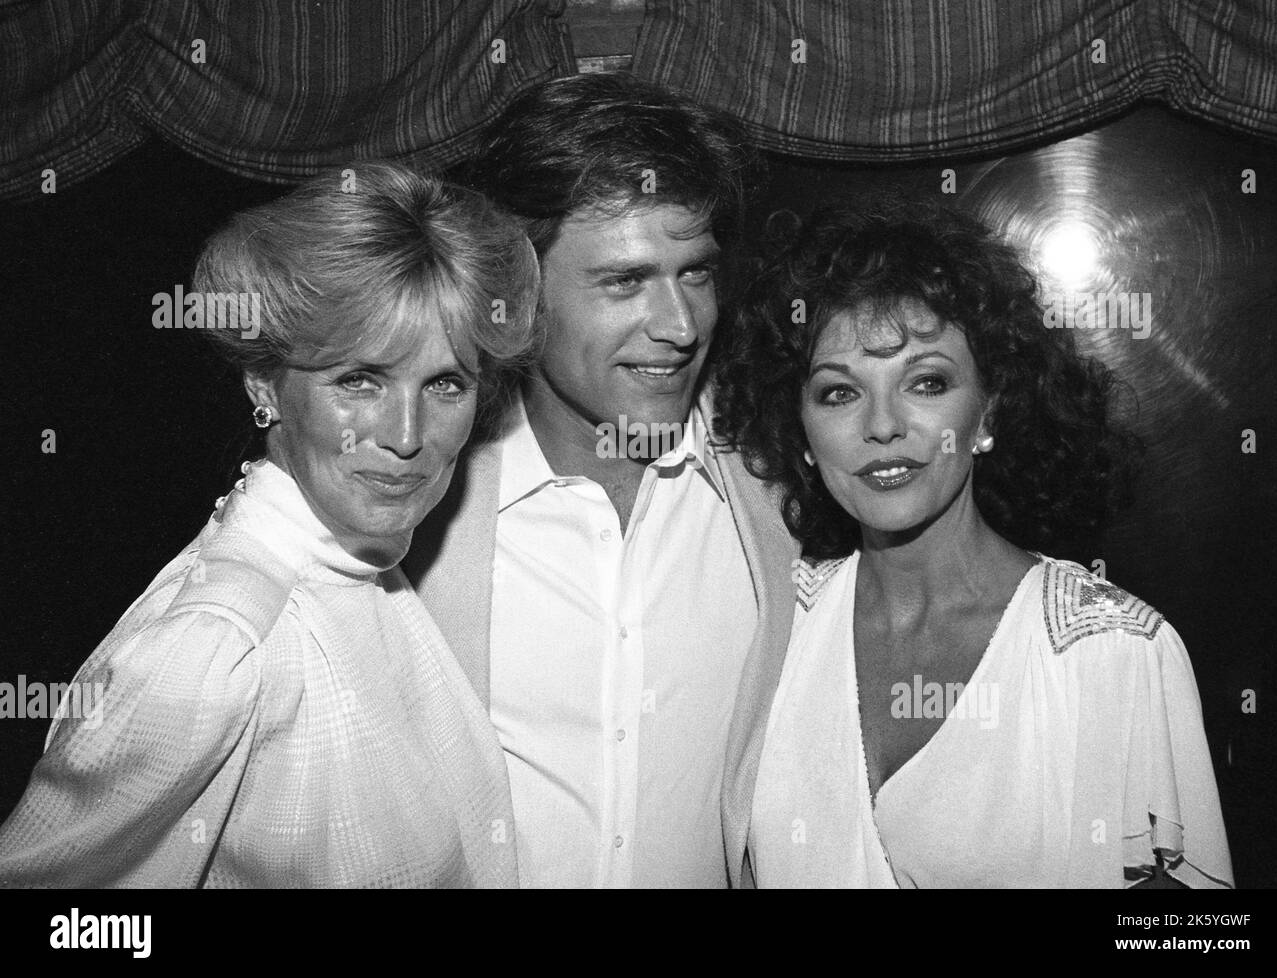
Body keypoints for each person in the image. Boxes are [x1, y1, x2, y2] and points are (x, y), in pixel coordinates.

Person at [0, 161, 539, 887]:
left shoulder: (367, 574)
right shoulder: (214, 653)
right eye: (359, 380)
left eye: (445, 384)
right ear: (265, 384)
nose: (408, 435)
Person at [712, 199, 1234, 888]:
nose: (883, 425)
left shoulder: (1108, 653)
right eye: (839, 393)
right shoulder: (776, 627)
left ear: (989, 410)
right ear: (802, 434)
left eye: (926, 383)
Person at [405, 73, 799, 888]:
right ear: (516, 296)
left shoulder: (779, 495)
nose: (682, 326)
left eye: (695, 274)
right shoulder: (412, 515)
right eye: (626, 281)